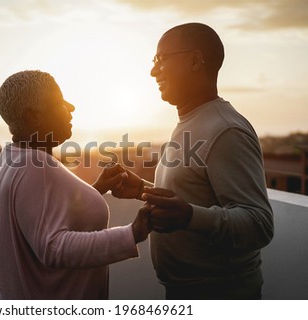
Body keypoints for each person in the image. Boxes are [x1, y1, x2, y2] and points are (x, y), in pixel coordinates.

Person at [110, 22, 274, 299]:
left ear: (195, 60)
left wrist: (188, 217)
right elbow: (197, 193)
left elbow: (259, 224)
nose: (153, 71)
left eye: (161, 60)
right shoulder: (191, 121)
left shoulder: (225, 130)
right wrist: (143, 190)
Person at [0, 70, 152, 299]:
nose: (71, 107)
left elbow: (39, 215)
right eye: (59, 102)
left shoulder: (11, 158)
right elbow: (52, 247)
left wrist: (94, 190)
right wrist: (133, 232)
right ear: (33, 117)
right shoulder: (35, 166)